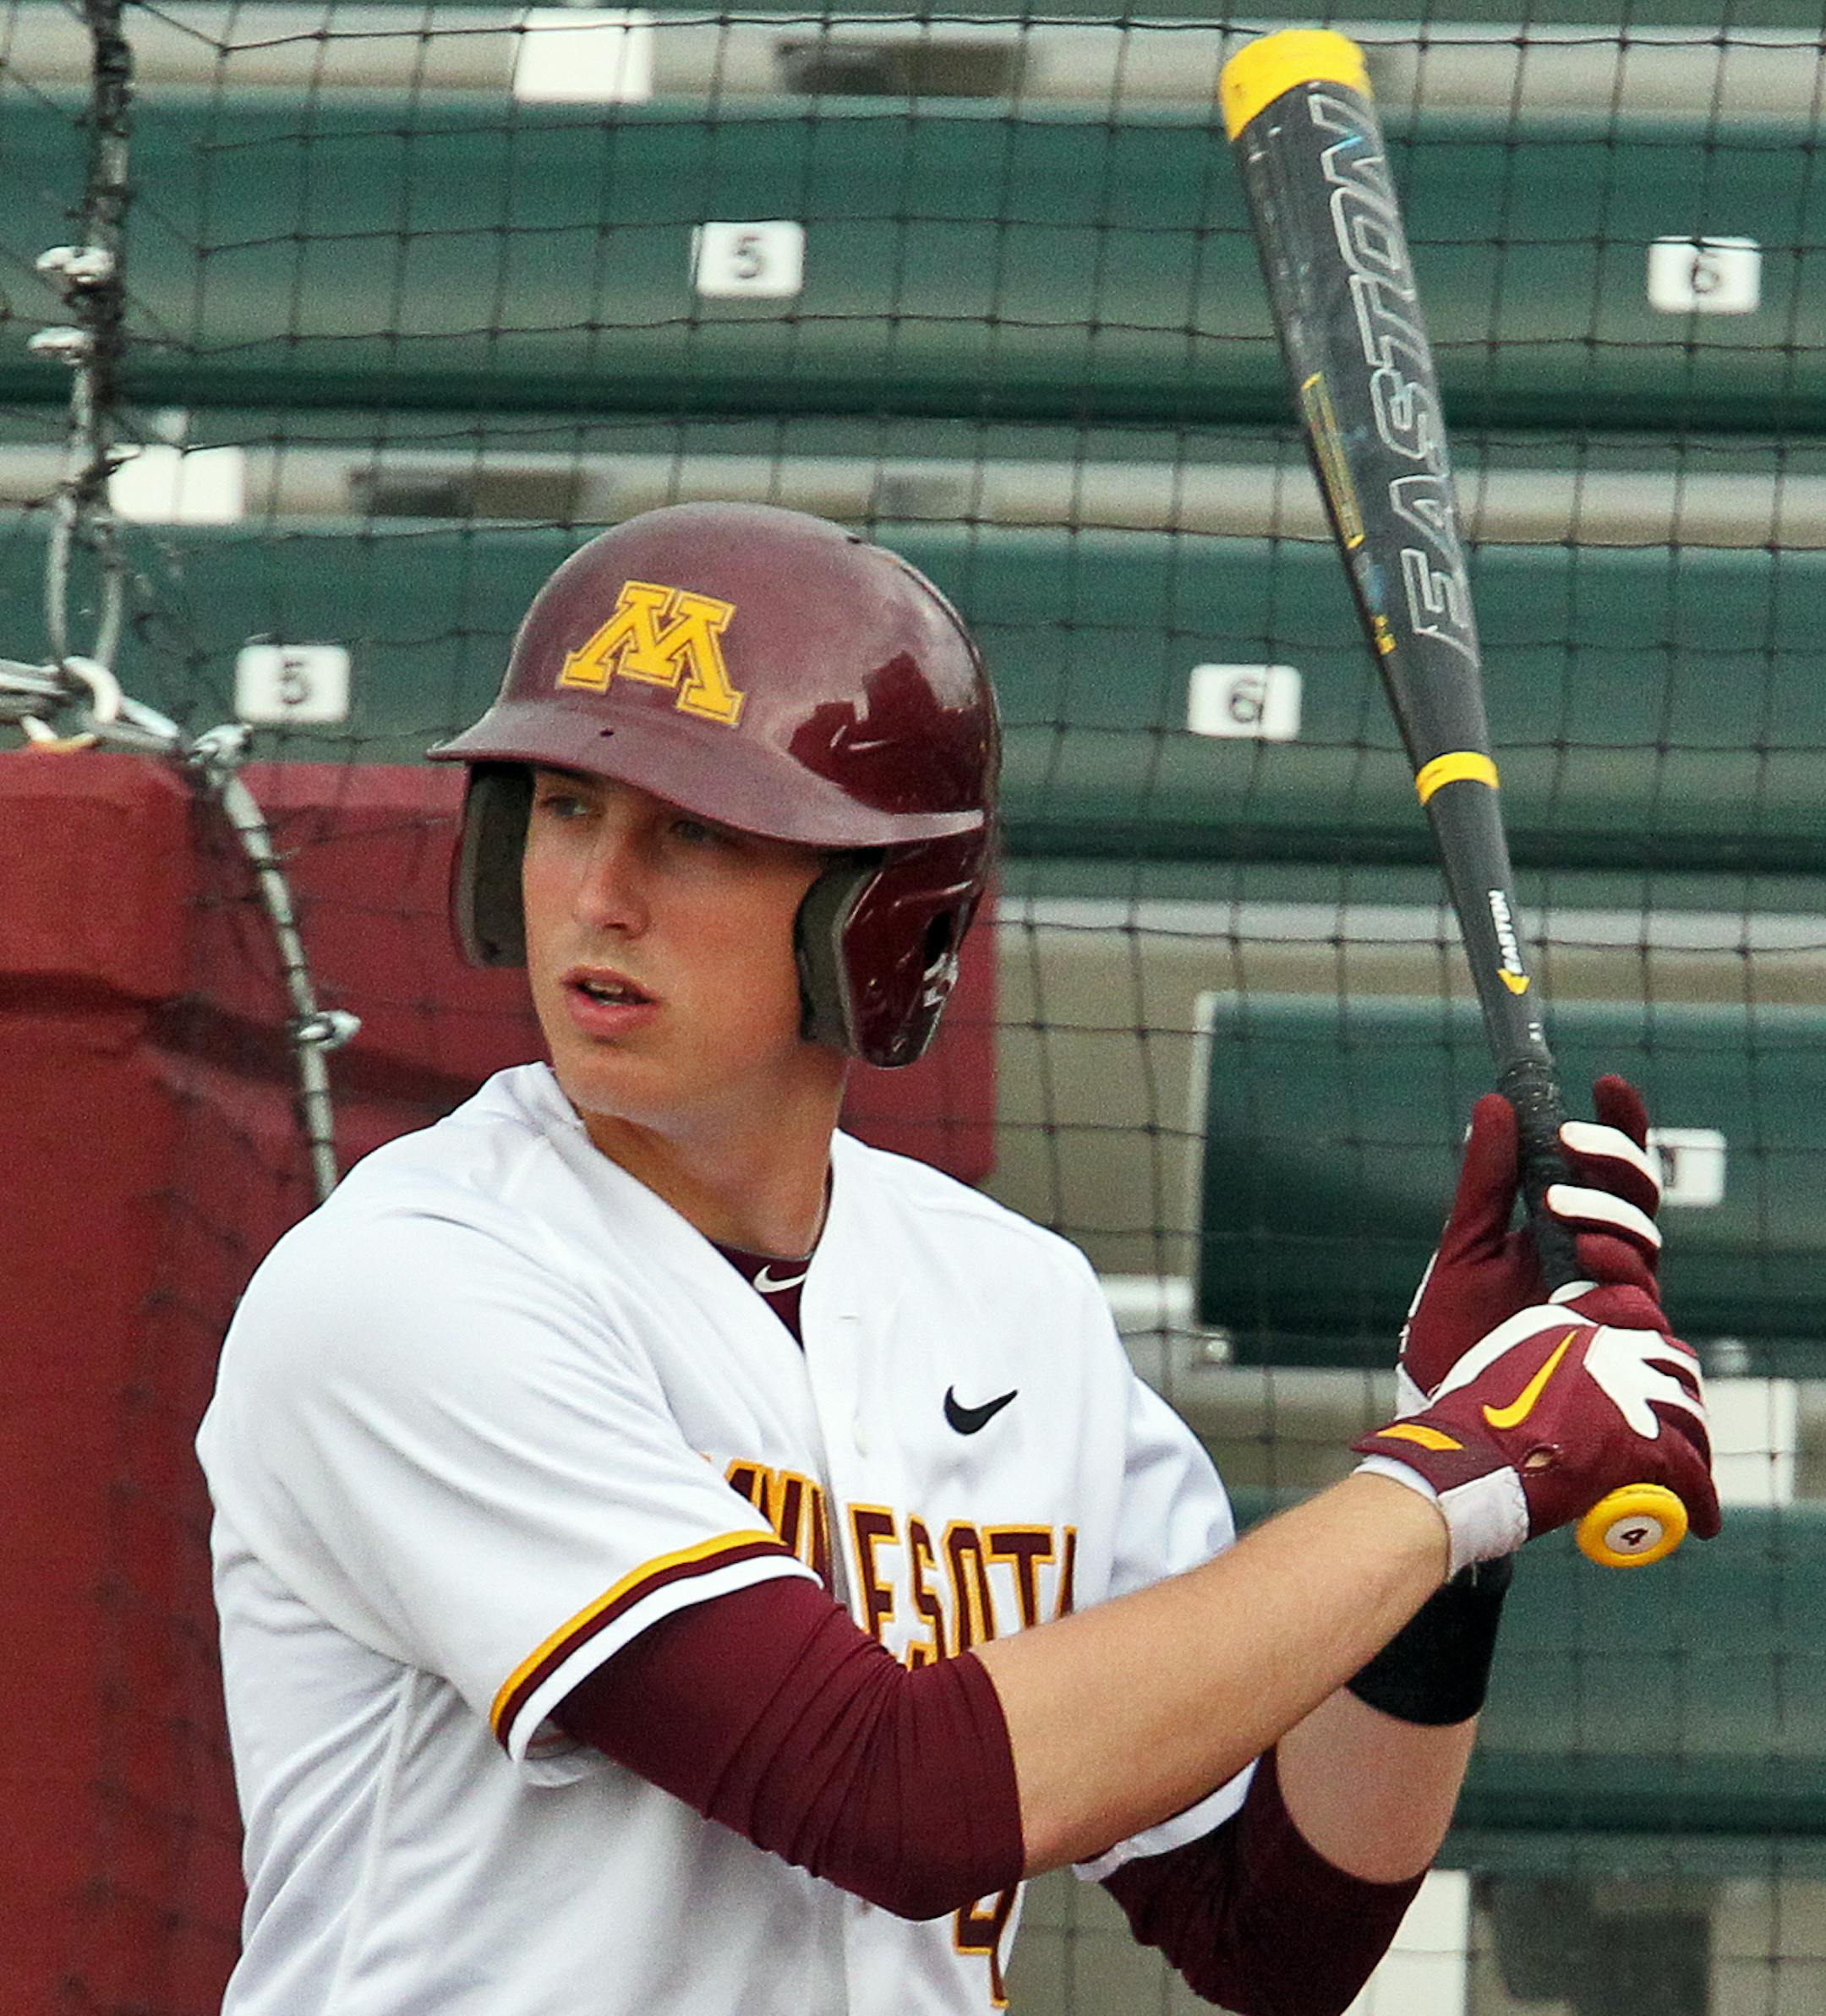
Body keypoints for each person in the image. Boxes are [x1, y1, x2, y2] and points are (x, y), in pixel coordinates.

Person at [197, 501, 1718, 2016]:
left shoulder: (1012, 1304)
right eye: (567, 806)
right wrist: (1455, 1474)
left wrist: (1459, 1539)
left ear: (881, 912)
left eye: (697, 831)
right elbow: (889, 1796)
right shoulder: (409, 1286)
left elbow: (1277, 1922)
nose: (600, 893)